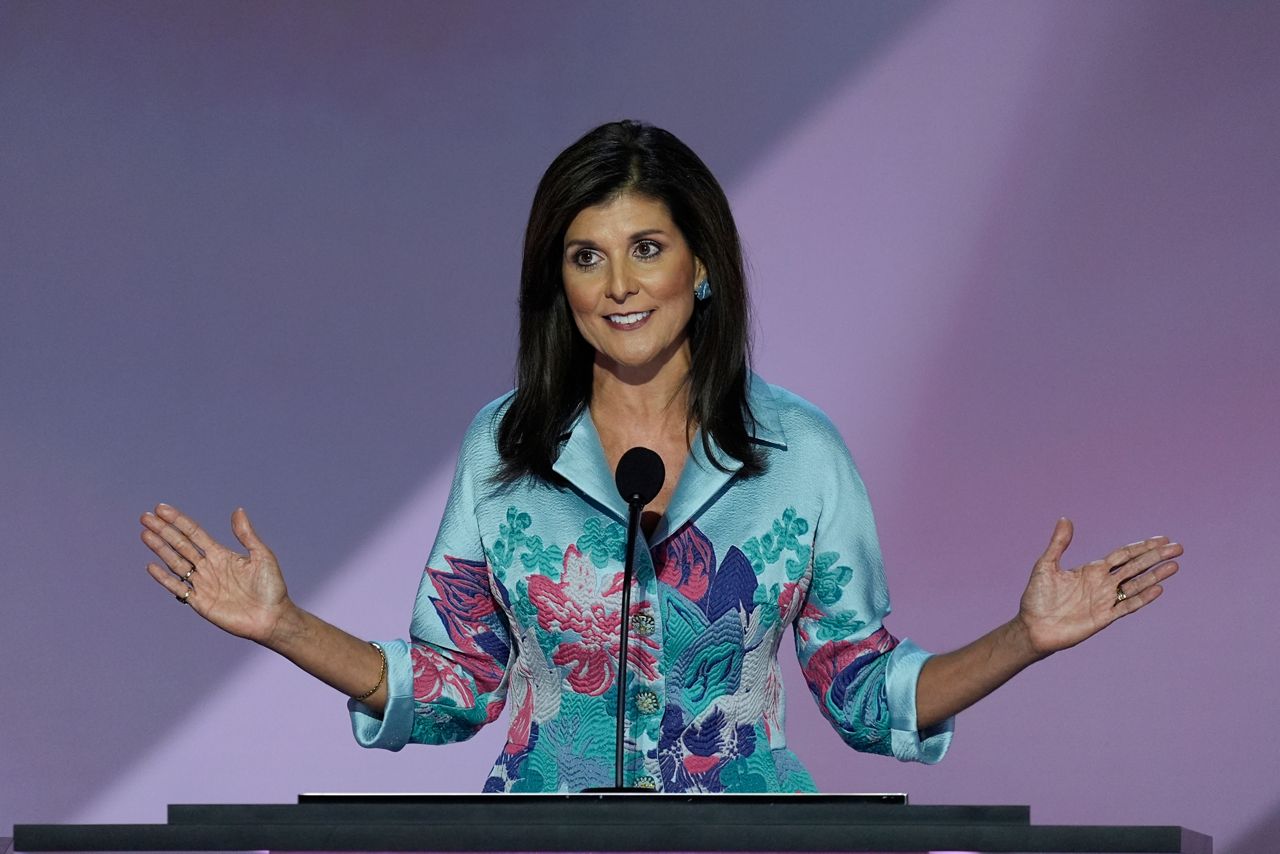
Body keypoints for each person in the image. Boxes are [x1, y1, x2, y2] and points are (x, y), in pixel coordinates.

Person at [140, 120, 1182, 793]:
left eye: (646, 247)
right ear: (560, 285)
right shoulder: (506, 447)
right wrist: (283, 624)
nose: (617, 283)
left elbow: (864, 690)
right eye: (584, 255)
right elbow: (457, 682)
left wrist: (1026, 637)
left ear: (702, 267)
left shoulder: (798, 453)